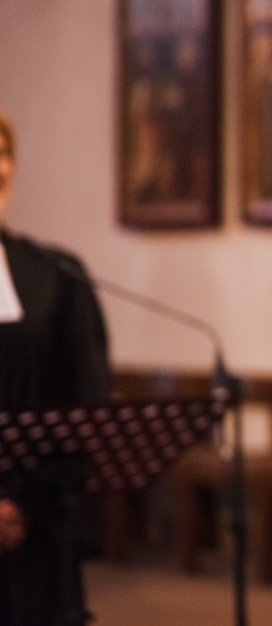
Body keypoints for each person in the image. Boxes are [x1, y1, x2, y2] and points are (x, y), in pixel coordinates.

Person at [0, 111, 111, 626]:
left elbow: (82, 402)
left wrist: (22, 505)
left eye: (3, 153)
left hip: (33, 523)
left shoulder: (54, 275)